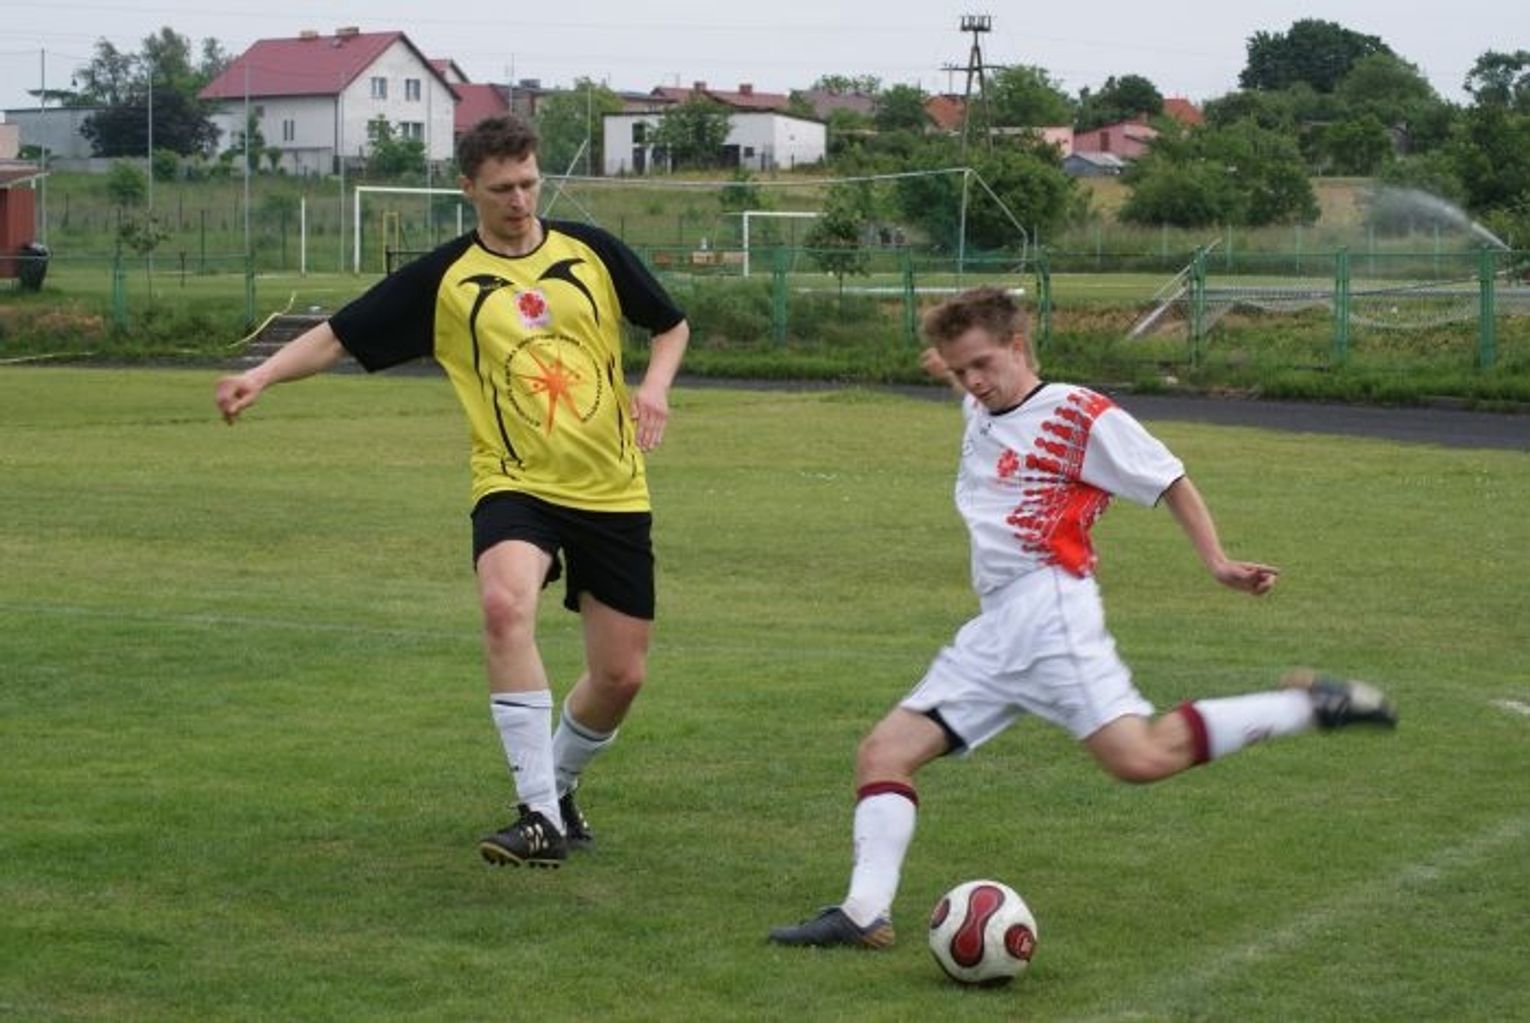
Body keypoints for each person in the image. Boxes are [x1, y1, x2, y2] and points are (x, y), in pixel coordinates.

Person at [769, 286, 1395, 949]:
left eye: (981, 364)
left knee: (1140, 758)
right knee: (883, 753)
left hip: (1051, 614)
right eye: (959, 371)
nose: (972, 382)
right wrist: (952, 368)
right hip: (996, 627)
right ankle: (864, 912)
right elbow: (974, 385)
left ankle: (1307, 706)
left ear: (1017, 347)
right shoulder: (982, 403)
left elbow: (1169, 478)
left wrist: (1217, 561)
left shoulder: (1077, 414)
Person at [215, 114, 689, 870]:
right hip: (513, 482)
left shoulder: (592, 251)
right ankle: (538, 817)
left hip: (612, 485)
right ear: (468, 187)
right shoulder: (446, 279)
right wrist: (262, 375)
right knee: (504, 606)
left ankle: (558, 787)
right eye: (502, 189)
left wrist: (655, 387)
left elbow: (670, 323)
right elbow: (339, 335)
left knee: (620, 676)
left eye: (528, 183)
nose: (519, 200)